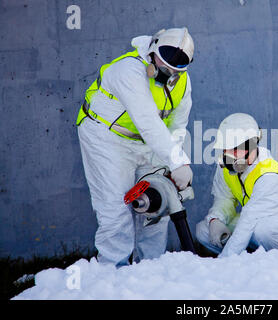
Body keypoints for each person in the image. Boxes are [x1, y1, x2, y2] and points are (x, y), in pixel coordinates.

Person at [76, 27, 195, 267]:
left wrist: (168, 169)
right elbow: (148, 121)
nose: (170, 67)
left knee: (156, 204)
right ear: (153, 47)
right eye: (166, 56)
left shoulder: (182, 83)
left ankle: (150, 270)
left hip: (145, 143)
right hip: (106, 137)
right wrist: (178, 162)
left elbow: (177, 126)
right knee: (115, 210)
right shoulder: (128, 70)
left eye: (179, 63)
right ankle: (112, 271)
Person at [196, 113, 278, 257]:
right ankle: (249, 258)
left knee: (264, 230)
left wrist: (226, 261)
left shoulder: (268, 176)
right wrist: (215, 219)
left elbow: (249, 219)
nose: (230, 155)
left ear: (252, 145)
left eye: (236, 148)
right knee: (205, 230)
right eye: (226, 148)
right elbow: (224, 199)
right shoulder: (226, 167)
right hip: (257, 220)